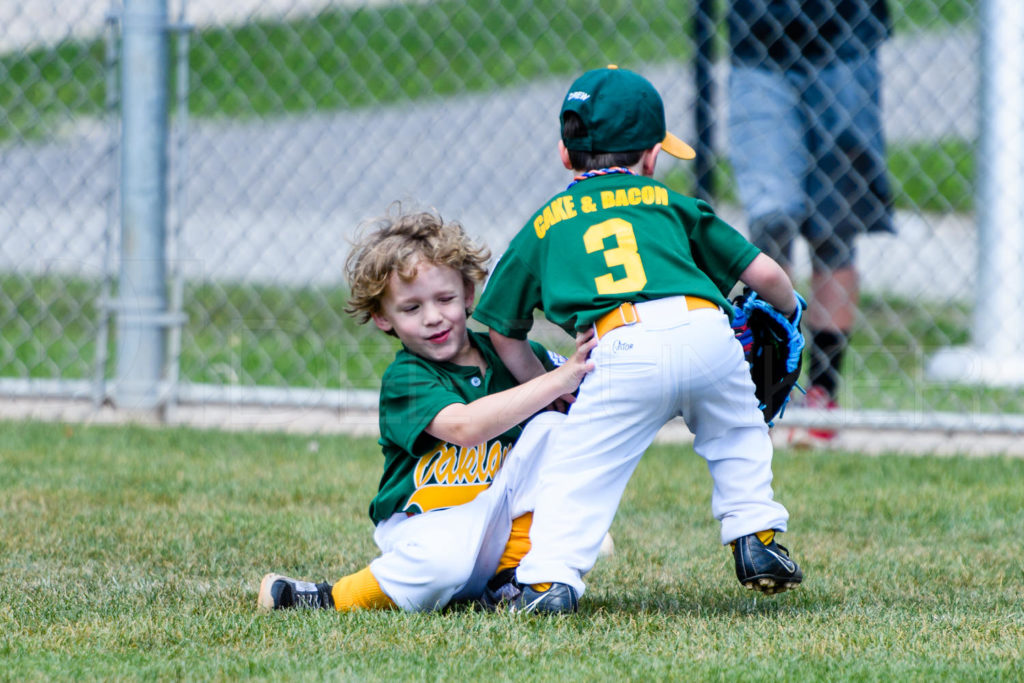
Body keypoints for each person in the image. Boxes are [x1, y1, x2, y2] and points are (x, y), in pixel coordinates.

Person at [473, 66, 804, 614]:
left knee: (580, 471)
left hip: (620, 345)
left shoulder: (544, 224)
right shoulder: (670, 204)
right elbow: (767, 276)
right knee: (738, 434)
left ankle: (550, 579)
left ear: (565, 155)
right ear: (651, 158)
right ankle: (757, 537)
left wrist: (552, 387)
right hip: (706, 330)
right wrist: (790, 316)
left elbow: (502, 330)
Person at [256, 207, 598, 612]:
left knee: (558, 430)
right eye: (411, 308)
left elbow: (593, 411)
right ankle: (329, 598)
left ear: (469, 295)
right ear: (383, 318)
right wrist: (555, 380)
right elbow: (466, 427)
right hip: (429, 529)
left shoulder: (519, 357)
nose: (433, 317)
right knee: (445, 562)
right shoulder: (407, 378)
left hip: (501, 529)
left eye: (445, 298)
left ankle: (513, 580)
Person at [726, 0, 894, 440]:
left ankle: (822, 394)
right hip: (759, 42)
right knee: (772, 220)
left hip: (846, 37)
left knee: (834, 229)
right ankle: (767, 383)